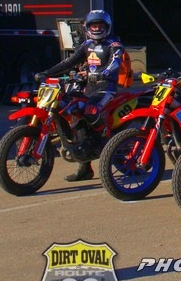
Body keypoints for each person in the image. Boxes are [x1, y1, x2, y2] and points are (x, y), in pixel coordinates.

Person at [37, 10, 124, 181]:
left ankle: (102, 139)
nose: (97, 28)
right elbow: (68, 62)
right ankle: (84, 167)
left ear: (107, 27)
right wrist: (47, 72)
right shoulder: (87, 45)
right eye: (94, 25)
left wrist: (104, 73)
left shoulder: (114, 45)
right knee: (72, 112)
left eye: (100, 25)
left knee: (90, 110)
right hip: (89, 89)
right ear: (88, 27)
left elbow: (115, 62)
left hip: (106, 89)